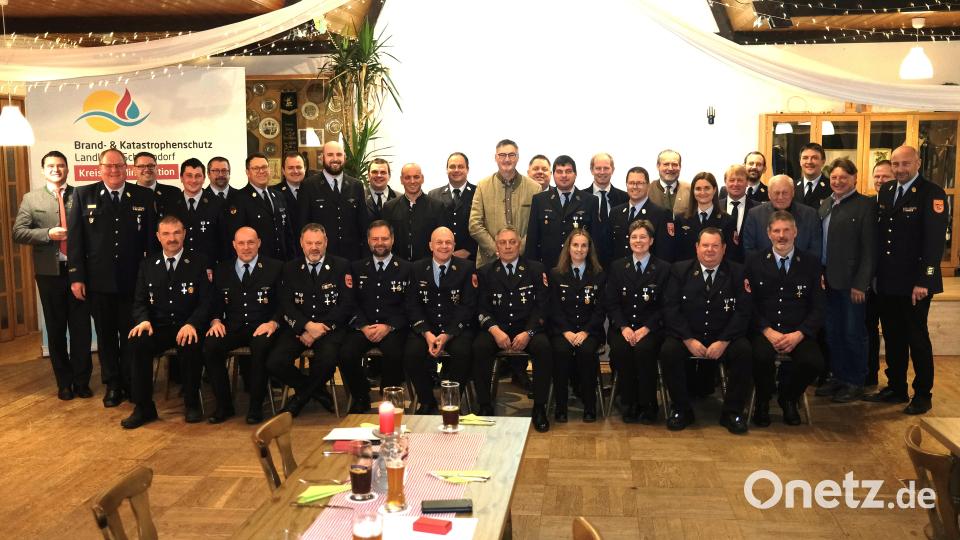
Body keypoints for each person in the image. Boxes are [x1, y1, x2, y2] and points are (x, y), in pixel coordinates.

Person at [68, 148, 157, 407]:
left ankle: (131, 382)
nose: (114, 171)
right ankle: (113, 384)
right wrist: (76, 277)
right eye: (109, 166)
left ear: (127, 168)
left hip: (133, 282)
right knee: (106, 337)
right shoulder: (84, 195)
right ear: (100, 169)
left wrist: (151, 279)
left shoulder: (142, 195)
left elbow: (151, 243)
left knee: (131, 335)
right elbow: (76, 241)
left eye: (119, 166)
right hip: (99, 283)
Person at [865, 146, 948, 415]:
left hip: (916, 284)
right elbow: (882, 237)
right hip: (888, 281)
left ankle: (923, 393)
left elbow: (934, 242)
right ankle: (896, 387)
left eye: (905, 164)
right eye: (896, 164)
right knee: (893, 335)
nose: (900, 169)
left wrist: (925, 280)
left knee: (917, 337)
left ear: (918, 163)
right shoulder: (887, 191)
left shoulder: (931, 193)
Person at [13, 150, 92, 400]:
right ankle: (64, 383)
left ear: (67, 169)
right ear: (43, 169)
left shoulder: (81, 195)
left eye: (60, 165)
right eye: (51, 166)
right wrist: (47, 233)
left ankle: (82, 382)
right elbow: (19, 232)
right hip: (49, 274)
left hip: (79, 272)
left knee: (81, 330)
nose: (56, 169)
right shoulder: (31, 199)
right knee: (56, 330)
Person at [661, 228, 753, 434]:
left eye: (715, 246)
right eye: (705, 245)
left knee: (745, 351)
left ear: (724, 248)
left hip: (724, 336)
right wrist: (688, 339)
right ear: (696, 247)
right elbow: (671, 309)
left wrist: (724, 341)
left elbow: (744, 311)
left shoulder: (737, 272)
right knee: (669, 351)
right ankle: (682, 409)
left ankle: (732, 412)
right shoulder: (679, 270)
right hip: (689, 335)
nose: (710, 250)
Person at [124, 215, 211, 428]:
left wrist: (193, 323)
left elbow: (207, 301)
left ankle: (191, 404)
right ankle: (144, 407)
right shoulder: (147, 265)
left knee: (190, 343)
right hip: (159, 327)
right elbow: (139, 301)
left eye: (176, 233)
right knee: (137, 343)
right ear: (158, 237)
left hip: (187, 324)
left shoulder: (199, 262)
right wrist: (143, 320)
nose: (172, 238)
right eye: (166, 234)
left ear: (184, 234)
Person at [745, 211, 824, 426]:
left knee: (814, 362)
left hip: (798, 331)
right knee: (759, 356)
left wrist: (799, 334)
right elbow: (748, 304)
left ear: (795, 232)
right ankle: (762, 400)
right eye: (777, 231)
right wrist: (767, 331)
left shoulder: (811, 263)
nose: (782, 236)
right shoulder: (754, 262)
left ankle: (788, 398)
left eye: (786, 230)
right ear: (768, 233)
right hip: (765, 330)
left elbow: (819, 306)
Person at [268, 223, 354, 417]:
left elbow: (346, 304)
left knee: (327, 362)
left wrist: (321, 329)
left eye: (318, 243)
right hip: (299, 328)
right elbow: (286, 304)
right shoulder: (290, 268)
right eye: (309, 243)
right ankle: (317, 392)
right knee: (275, 361)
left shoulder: (342, 266)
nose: (314, 247)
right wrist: (305, 327)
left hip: (330, 329)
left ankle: (298, 401)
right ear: (301, 243)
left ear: (326, 243)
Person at [473, 227, 552, 432]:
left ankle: (540, 407)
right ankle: (484, 405)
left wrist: (529, 333)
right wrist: (495, 331)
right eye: (503, 242)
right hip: (498, 329)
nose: (508, 246)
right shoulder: (485, 272)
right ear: (497, 246)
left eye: (512, 242)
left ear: (520, 244)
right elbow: (481, 308)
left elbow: (543, 307)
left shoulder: (535, 269)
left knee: (544, 348)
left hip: (527, 329)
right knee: (479, 347)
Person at [203, 227, 283, 424]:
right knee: (210, 346)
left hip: (262, 326)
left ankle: (255, 407)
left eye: (251, 242)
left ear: (259, 243)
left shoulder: (275, 267)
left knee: (261, 348)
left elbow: (284, 303)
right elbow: (214, 302)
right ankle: (224, 406)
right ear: (234, 245)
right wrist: (215, 320)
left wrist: (274, 322)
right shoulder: (222, 269)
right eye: (241, 243)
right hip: (233, 327)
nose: (246, 247)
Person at [814, 158, 877, 403]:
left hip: (852, 285)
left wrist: (861, 283)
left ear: (854, 178)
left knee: (853, 333)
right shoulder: (826, 204)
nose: (838, 181)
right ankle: (839, 377)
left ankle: (855, 381)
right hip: (827, 281)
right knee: (833, 332)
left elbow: (869, 249)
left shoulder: (865, 206)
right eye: (834, 178)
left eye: (843, 177)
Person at [341, 221, 413, 413]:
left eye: (384, 238)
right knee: (346, 353)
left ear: (392, 240)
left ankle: (387, 398)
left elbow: (410, 305)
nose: (380, 243)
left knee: (395, 353)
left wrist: (389, 326)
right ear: (368, 241)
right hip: (363, 327)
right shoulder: (356, 268)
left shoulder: (407, 268)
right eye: (375, 239)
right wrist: (363, 326)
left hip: (393, 327)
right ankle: (361, 395)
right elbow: (351, 302)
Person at [603, 220, 670, 424]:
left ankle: (648, 404)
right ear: (628, 240)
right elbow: (612, 303)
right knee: (622, 351)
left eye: (642, 237)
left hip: (652, 329)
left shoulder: (663, 268)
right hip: (622, 328)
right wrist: (624, 327)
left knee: (644, 351)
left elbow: (665, 306)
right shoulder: (617, 267)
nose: (638, 241)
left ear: (651, 241)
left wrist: (646, 328)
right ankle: (628, 403)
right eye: (634, 237)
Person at [404, 227, 477, 414]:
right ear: (430, 245)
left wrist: (447, 335)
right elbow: (412, 305)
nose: (444, 246)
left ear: (454, 246)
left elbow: (467, 306)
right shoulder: (417, 268)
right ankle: (426, 401)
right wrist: (427, 334)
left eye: (448, 242)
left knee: (463, 352)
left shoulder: (466, 268)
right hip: (426, 329)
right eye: (439, 242)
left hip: (455, 329)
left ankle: (451, 402)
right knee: (411, 353)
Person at [547, 230, 605, 423]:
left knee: (587, 353)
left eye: (584, 245)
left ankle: (590, 406)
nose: (579, 249)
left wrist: (586, 331)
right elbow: (553, 308)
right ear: (568, 248)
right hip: (562, 331)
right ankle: (561, 407)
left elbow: (600, 310)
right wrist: (567, 331)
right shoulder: (556, 274)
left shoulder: (598, 274)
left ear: (589, 249)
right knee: (561, 353)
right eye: (575, 245)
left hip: (590, 331)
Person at [468, 139, 541, 267]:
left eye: (511, 155)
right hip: (489, 262)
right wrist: (497, 250)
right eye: (502, 155)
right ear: (495, 158)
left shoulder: (534, 188)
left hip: (524, 262)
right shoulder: (482, 186)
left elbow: (536, 226)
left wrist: (518, 249)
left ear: (517, 158)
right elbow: (475, 225)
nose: (507, 159)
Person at [299, 141, 369, 261]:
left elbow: (363, 225)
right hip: (321, 257)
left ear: (344, 158)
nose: (335, 159)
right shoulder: (309, 185)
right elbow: (303, 224)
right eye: (330, 155)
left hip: (352, 257)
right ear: (323, 157)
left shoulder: (356, 185)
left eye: (339, 154)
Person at [524, 155, 596, 268]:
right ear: (553, 175)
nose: (564, 175)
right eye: (559, 171)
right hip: (548, 267)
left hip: (580, 267)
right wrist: (533, 270)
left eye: (568, 171)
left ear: (575, 174)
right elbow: (532, 241)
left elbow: (594, 240)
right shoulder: (539, 200)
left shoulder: (590, 201)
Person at [226, 153, 295, 261]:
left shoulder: (278, 196)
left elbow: (287, 233)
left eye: (264, 167)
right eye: (256, 168)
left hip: (282, 262)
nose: (261, 171)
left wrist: (292, 260)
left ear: (269, 169)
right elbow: (236, 238)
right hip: (257, 265)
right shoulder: (238, 199)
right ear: (248, 172)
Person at [164, 158, 228, 268]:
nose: (193, 180)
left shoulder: (219, 204)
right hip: (178, 267)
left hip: (209, 269)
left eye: (198, 176)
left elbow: (224, 241)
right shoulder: (170, 204)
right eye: (189, 175)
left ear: (204, 179)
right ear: (181, 178)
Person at [741, 175, 822, 260]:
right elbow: (749, 250)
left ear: (793, 192)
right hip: (763, 271)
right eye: (776, 193)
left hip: (800, 271)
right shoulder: (754, 215)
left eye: (785, 193)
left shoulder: (810, 215)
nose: (780, 197)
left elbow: (815, 251)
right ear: (769, 194)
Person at [865, 159, 895, 386]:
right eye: (877, 176)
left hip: (893, 281)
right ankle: (870, 374)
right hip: (867, 280)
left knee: (894, 332)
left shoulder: (900, 204)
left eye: (886, 176)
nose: (880, 180)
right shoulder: (867, 205)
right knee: (868, 329)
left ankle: (896, 382)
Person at [381, 163, 446, 262]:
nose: (412, 181)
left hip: (427, 266)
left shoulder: (437, 207)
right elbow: (386, 238)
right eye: (407, 177)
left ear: (422, 178)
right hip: (397, 265)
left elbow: (441, 239)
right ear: (401, 180)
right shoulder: (389, 207)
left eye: (416, 177)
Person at [609, 166, 675, 262]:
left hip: (649, 273)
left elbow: (664, 252)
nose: (635, 187)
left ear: (648, 185)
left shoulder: (661, 214)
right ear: (626, 185)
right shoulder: (615, 212)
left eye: (639, 183)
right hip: (620, 273)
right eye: (631, 183)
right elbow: (611, 247)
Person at [673, 172, 737, 262]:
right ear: (693, 191)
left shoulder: (727, 220)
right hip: (686, 272)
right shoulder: (681, 219)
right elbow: (677, 252)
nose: (702, 192)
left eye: (707, 188)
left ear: (714, 190)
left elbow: (730, 254)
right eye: (698, 189)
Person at [428, 152, 477, 260]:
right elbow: (430, 228)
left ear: (467, 169)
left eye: (460, 166)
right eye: (452, 167)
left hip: (471, 258)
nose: (456, 170)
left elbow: (484, 225)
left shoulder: (479, 193)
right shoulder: (433, 195)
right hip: (441, 257)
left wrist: (469, 249)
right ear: (446, 169)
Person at [584, 152, 628, 267]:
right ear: (591, 170)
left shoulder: (625, 198)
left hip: (618, 260)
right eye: (598, 168)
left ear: (612, 170)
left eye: (606, 168)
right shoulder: (581, 197)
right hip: (587, 259)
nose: (602, 172)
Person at [718, 164, 759, 263]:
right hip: (721, 266)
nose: (735, 184)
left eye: (740, 180)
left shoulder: (757, 209)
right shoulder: (716, 207)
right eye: (732, 180)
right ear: (725, 182)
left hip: (748, 265)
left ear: (747, 183)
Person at [271, 152, 308, 239]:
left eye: (299, 167)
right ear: (283, 171)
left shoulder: (314, 190)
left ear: (305, 169)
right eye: (290, 168)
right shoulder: (273, 193)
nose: (295, 171)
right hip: (286, 247)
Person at [134, 151, 181, 217]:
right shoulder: (126, 195)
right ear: (134, 170)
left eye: (150, 165)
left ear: (157, 168)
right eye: (141, 166)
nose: (147, 169)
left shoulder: (174, 193)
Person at [648, 149, 690, 214]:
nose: (670, 168)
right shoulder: (647, 190)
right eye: (666, 164)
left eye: (675, 164)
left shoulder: (690, 190)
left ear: (680, 167)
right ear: (658, 166)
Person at [794, 143, 831, 208]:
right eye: (805, 158)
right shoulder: (792, 187)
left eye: (814, 158)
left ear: (823, 161)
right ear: (800, 161)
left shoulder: (832, 187)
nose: (809, 162)